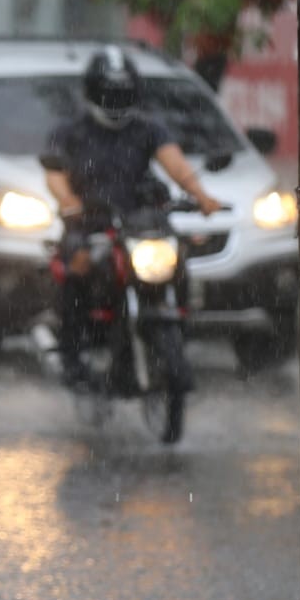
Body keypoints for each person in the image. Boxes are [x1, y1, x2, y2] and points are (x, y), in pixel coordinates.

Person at [42, 47, 225, 387]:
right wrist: (68, 199)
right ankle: (73, 353)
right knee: (80, 267)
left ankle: (176, 329)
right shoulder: (70, 131)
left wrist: (201, 197)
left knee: (178, 263)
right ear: (93, 92)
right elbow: (54, 172)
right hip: (91, 223)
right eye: (109, 92)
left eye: (122, 93)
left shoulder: (147, 129)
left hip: (141, 223)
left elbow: (176, 165)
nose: (115, 100)